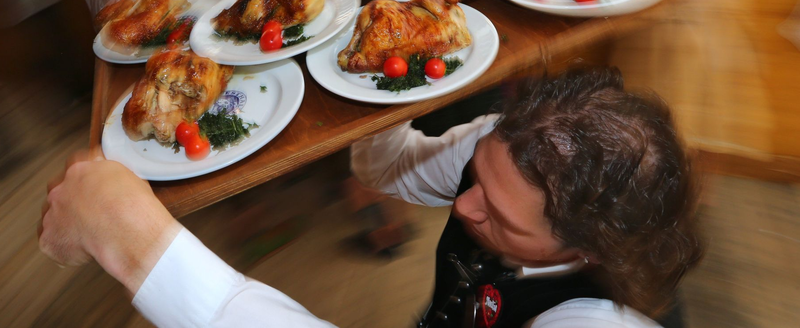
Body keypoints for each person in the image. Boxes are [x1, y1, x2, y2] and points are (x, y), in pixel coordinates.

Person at [38, 68, 702, 327]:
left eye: (499, 218)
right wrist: (382, 85)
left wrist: (133, 239)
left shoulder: (601, 322)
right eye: (479, 177)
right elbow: (387, 171)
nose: (467, 207)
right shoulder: (507, 149)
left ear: (588, 248)